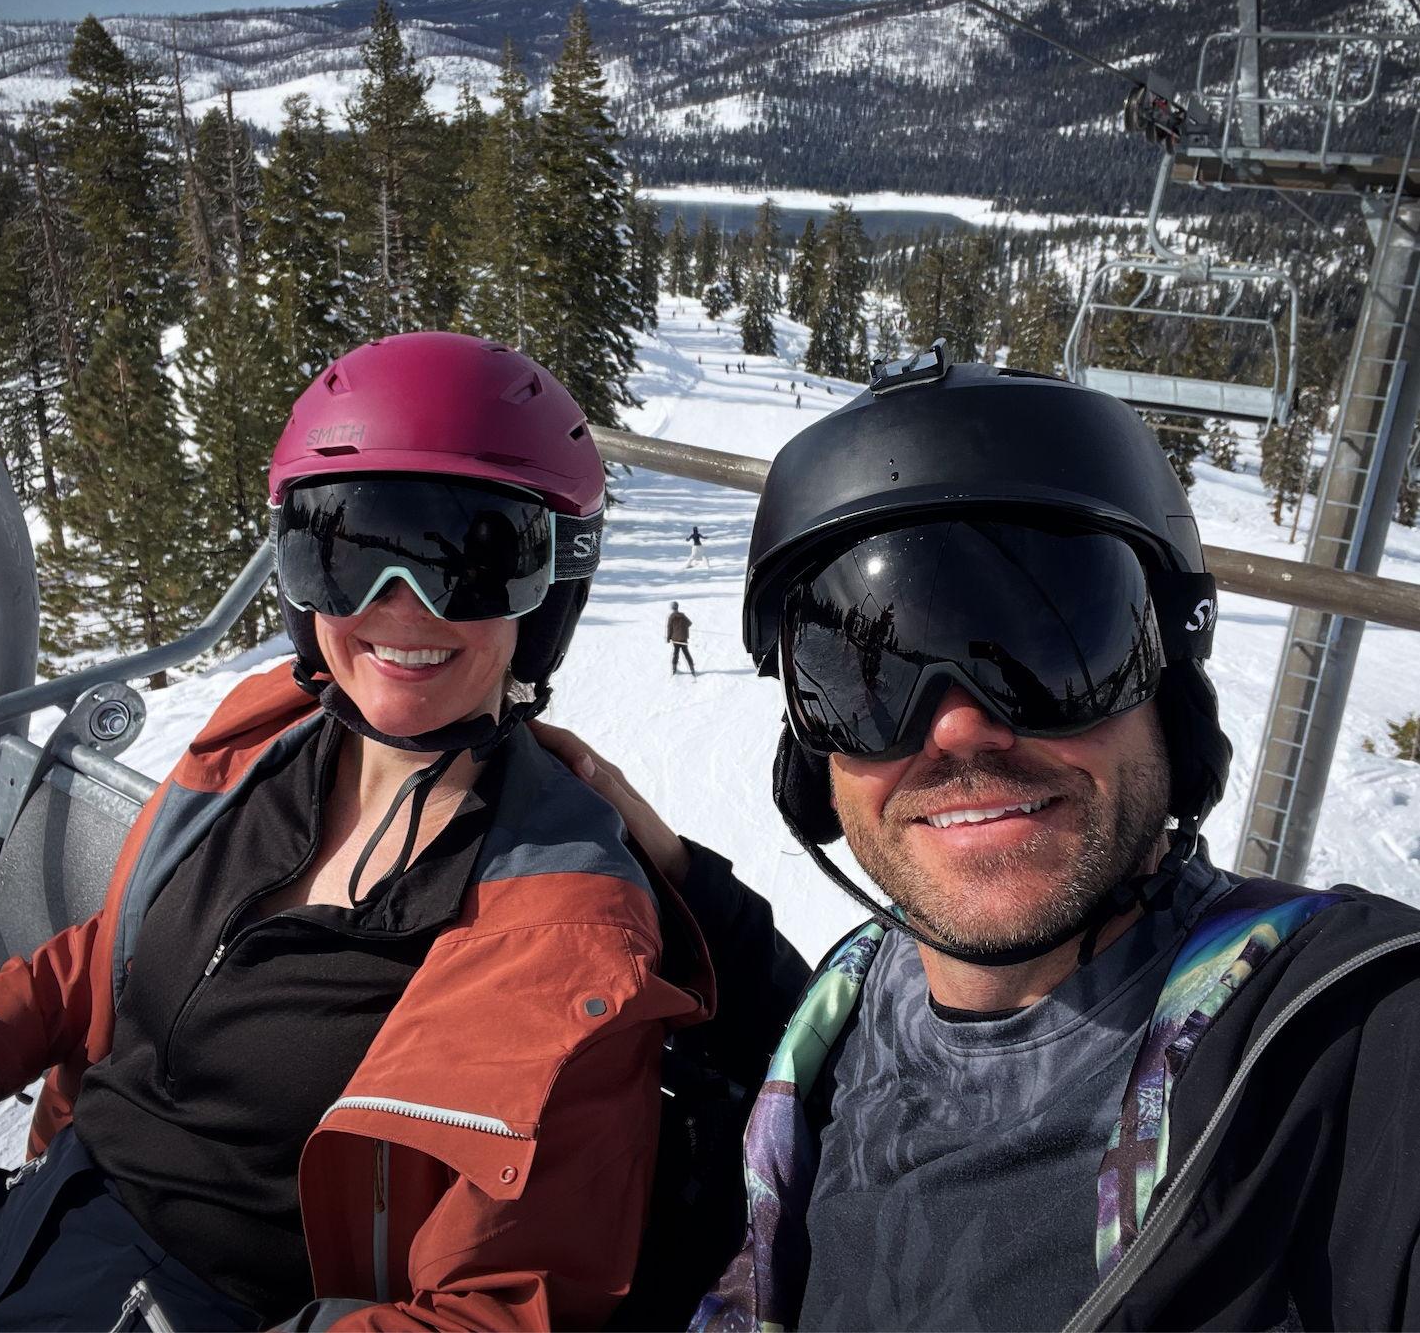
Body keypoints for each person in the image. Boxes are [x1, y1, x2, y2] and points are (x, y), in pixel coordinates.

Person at [0, 333, 799, 1332]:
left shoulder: (565, 928)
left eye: (467, 560)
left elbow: (503, 1310)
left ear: (549, 597)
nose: (397, 608)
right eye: (348, 549)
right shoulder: (262, 740)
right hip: (31, 1217)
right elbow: (123, 951)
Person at [564, 350, 1420, 1332]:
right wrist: (673, 878)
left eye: (1051, 654)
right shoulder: (839, 1024)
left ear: (1170, 702)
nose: (959, 729)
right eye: (865, 680)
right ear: (811, 759)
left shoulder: (1345, 1045)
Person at [667, 602, 697, 678]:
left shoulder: (671, 617)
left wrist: (668, 638)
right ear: (677, 607)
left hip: (676, 639)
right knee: (686, 653)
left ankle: (674, 669)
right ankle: (692, 669)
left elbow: (669, 628)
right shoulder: (682, 616)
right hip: (683, 638)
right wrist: (683, 626)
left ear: (672, 608)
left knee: (676, 653)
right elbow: (689, 623)